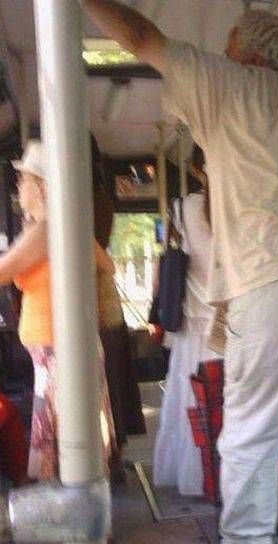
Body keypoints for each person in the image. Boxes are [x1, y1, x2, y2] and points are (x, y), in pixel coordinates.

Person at [82, 3, 278, 544]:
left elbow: (140, 34)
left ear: (244, 53)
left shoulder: (230, 83)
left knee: (253, 426)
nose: (221, 55)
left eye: (226, 47)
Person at [0, 140, 117, 483]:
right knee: (77, 433)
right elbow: (107, 265)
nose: (18, 186)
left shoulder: (46, 230)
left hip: (57, 347)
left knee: (66, 438)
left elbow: (4, 271)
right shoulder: (64, 226)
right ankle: (85, 506)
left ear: (42, 187)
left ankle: (76, 510)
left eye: (24, 179)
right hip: (65, 345)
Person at [153, 147, 219, 496]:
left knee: (190, 399)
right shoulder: (239, 206)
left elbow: (167, 263)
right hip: (231, 322)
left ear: (195, 169)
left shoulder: (181, 209)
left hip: (194, 324)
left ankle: (195, 475)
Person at [91, 135, 146, 457]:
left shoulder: (82, 202)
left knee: (102, 378)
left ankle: (107, 454)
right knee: (111, 374)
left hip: (92, 295)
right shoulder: (101, 198)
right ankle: (114, 450)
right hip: (104, 295)